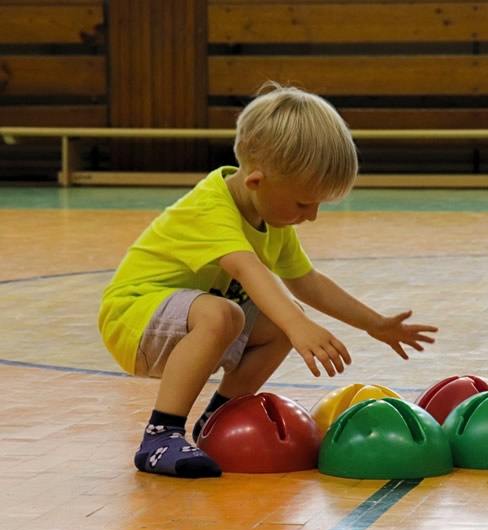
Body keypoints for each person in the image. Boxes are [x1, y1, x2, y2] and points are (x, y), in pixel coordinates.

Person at [98, 83, 438, 479]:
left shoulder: (269, 217)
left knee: (270, 322)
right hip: (132, 318)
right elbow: (248, 270)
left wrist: (373, 324)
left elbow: (307, 280)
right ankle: (160, 436)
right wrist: (298, 323)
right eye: (302, 203)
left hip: (188, 320)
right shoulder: (210, 207)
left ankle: (216, 419)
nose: (310, 216)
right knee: (227, 313)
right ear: (256, 181)